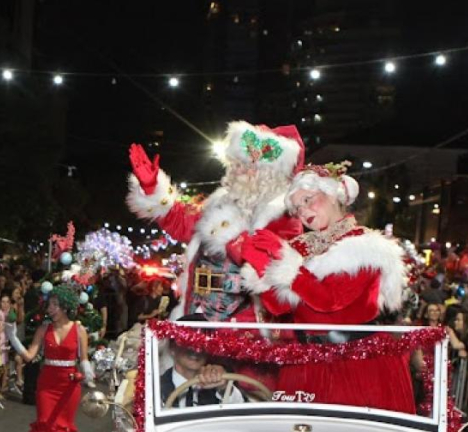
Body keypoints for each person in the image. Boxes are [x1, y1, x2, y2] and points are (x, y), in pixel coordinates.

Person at [237, 162, 415, 413]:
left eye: (309, 200)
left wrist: (286, 263)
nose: (303, 211)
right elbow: (277, 306)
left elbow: (330, 300)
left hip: (356, 363)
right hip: (305, 361)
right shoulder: (299, 249)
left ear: (333, 195)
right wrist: (262, 269)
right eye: (297, 208)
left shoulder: (364, 245)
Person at [125, 121, 305, 320]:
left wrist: (236, 242)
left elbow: (282, 279)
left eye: (247, 166)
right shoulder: (219, 202)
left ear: (269, 174)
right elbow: (182, 223)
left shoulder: (283, 214)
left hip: (244, 324)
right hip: (195, 310)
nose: (237, 171)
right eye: (236, 164)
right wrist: (152, 189)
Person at [14, 285, 90, 432]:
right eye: (49, 304)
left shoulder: (79, 329)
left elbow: (83, 359)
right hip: (47, 383)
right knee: (45, 426)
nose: (50, 308)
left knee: (63, 427)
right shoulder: (43, 329)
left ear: (65, 307)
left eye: (54, 305)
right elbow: (30, 357)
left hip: (69, 385)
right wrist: (13, 339)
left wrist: (87, 372)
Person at [158, 345, 232, 408]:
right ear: (172, 348)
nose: (196, 350)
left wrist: (224, 388)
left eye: (202, 344)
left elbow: (237, 412)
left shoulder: (217, 384)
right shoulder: (156, 388)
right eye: (188, 343)